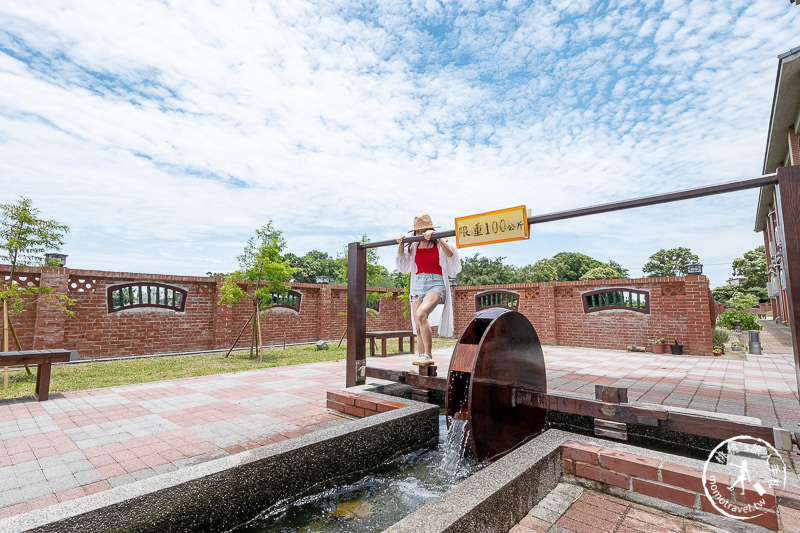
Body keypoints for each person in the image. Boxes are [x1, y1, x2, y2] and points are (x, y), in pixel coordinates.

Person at [396, 214, 461, 366]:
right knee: (418, 325)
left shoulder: (439, 241)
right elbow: (403, 264)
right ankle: (421, 359)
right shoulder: (414, 245)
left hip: (435, 283)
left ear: (430, 228)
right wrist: (400, 243)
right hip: (418, 284)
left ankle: (428, 355)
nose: (420, 233)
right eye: (417, 231)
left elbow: (451, 254)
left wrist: (437, 237)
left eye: (423, 230)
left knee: (421, 314)